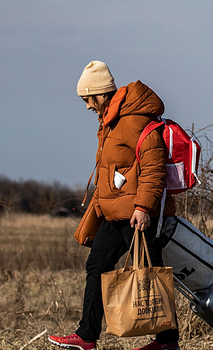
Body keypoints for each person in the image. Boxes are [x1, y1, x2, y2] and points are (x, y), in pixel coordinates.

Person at [48, 61, 180, 350]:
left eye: (87, 99)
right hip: (115, 213)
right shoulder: (110, 121)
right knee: (97, 265)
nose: (85, 106)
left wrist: (143, 208)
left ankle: (167, 343)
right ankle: (86, 336)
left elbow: (154, 167)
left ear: (100, 94)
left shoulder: (133, 120)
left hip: (136, 214)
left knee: (150, 271)